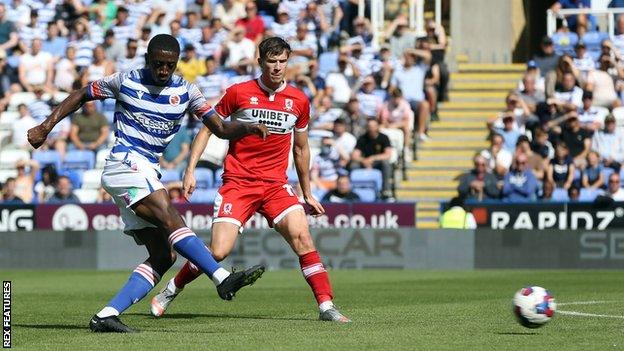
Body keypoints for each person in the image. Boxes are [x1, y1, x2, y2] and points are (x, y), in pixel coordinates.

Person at [27, 34, 268, 333]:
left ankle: (106, 315)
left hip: (146, 170)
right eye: (158, 64)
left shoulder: (187, 91)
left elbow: (219, 127)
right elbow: (80, 94)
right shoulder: (125, 81)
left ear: (177, 63)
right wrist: (45, 126)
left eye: (169, 65)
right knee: (170, 215)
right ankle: (220, 277)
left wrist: (246, 128)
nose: (163, 70)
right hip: (125, 162)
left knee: (163, 255)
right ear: (147, 59)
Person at [150, 37, 350, 323]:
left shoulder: (299, 100)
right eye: (272, 61)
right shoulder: (238, 92)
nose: (278, 67)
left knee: (303, 237)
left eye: (283, 61)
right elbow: (207, 129)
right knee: (218, 251)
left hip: (275, 186)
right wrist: (190, 169)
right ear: (260, 62)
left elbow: (302, 148)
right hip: (239, 183)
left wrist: (307, 193)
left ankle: (326, 305)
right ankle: (172, 288)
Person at [350, 118, 394, 199]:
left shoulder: (384, 138)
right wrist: (364, 160)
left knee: (386, 164)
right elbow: (354, 155)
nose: (371, 128)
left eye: (373, 126)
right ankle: (352, 191)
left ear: (377, 127)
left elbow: (387, 155)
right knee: (353, 165)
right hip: (364, 162)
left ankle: (385, 190)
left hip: (377, 163)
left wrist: (373, 158)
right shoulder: (362, 138)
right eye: (369, 126)